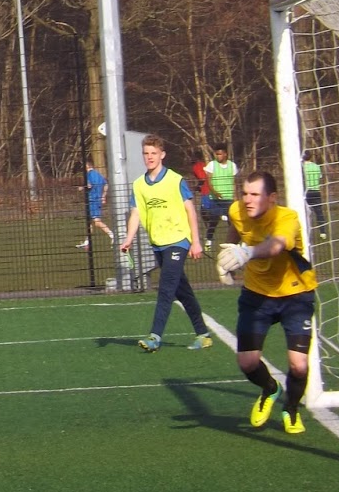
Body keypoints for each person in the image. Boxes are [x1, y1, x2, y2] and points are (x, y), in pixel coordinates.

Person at [215, 171, 318, 435]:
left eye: (255, 195)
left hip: (295, 295)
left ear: (272, 198)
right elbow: (235, 228)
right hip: (256, 296)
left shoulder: (287, 218)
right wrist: (228, 255)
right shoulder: (237, 210)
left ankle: (291, 409)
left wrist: (246, 252)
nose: (247, 200)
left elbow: (275, 246)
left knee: (299, 365)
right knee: (247, 363)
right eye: (245, 194)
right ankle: (270, 389)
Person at [119, 136, 212, 352]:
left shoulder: (175, 180)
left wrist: (196, 241)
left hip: (178, 241)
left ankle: (155, 336)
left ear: (162, 155)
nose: (149, 157)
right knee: (182, 290)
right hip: (158, 243)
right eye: (146, 153)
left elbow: (190, 210)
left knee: (166, 287)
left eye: (153, 153)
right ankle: (203, 334)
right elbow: (136, 213)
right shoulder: (139, 185)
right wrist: (128, 238)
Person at [206, 148, 238, 247]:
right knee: (214, 221)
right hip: (215, 198)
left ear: (225, 154)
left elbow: (234, 182)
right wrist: (215, 192)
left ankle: (232, 243)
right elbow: (208, 182)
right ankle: (208, 240)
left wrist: (235, 196)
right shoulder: (212, 165)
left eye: (220, 154)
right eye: (216, 154)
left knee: (232, 221)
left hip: (228, 198)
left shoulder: (232, 166)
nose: (218, 156)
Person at [77, 161, 114, 249]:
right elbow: (106, 184)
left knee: (97, 222)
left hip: (92, 200)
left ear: (87, 166)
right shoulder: (98, 174)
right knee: (90, 222)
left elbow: (89, 186)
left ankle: (112, 235)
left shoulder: (89, 175)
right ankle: (87, 242)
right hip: (98, 199)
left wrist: (81, 188)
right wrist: (103, 196)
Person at [302, 156, 325, 240]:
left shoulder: (302, 168)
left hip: (306, 192)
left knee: (305, 212)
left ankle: (305, 232)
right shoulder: (316, 166)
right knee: (319, 213)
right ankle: (323, 233)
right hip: (316, 191)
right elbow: (320, 177)